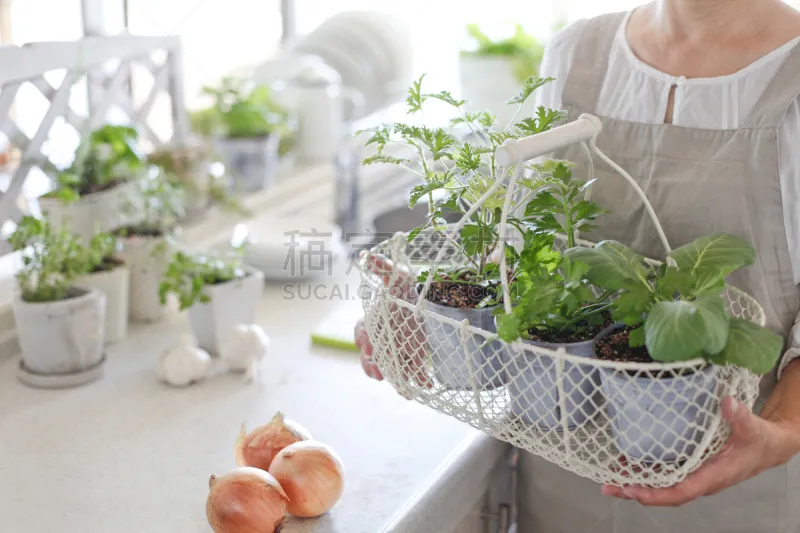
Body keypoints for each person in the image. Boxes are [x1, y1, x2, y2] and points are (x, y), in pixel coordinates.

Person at [355, 0, 800, 531]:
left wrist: (782, 431)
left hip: (738, 491)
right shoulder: (577, 53)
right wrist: (439, 310)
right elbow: (525, 256)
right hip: (561, 483)